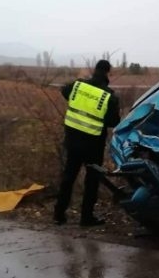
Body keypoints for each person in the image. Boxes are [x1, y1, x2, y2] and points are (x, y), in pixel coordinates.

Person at [54, 59, 120, 227]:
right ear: (107, 73)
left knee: (68, 177)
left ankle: (58, 214)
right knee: (91, 181)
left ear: (95, 70)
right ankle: (86, 218)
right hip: (93, 144)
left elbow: (64, 91)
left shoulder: (78, 86)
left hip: (73, 140)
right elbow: (114, 121)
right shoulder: (109, 96)